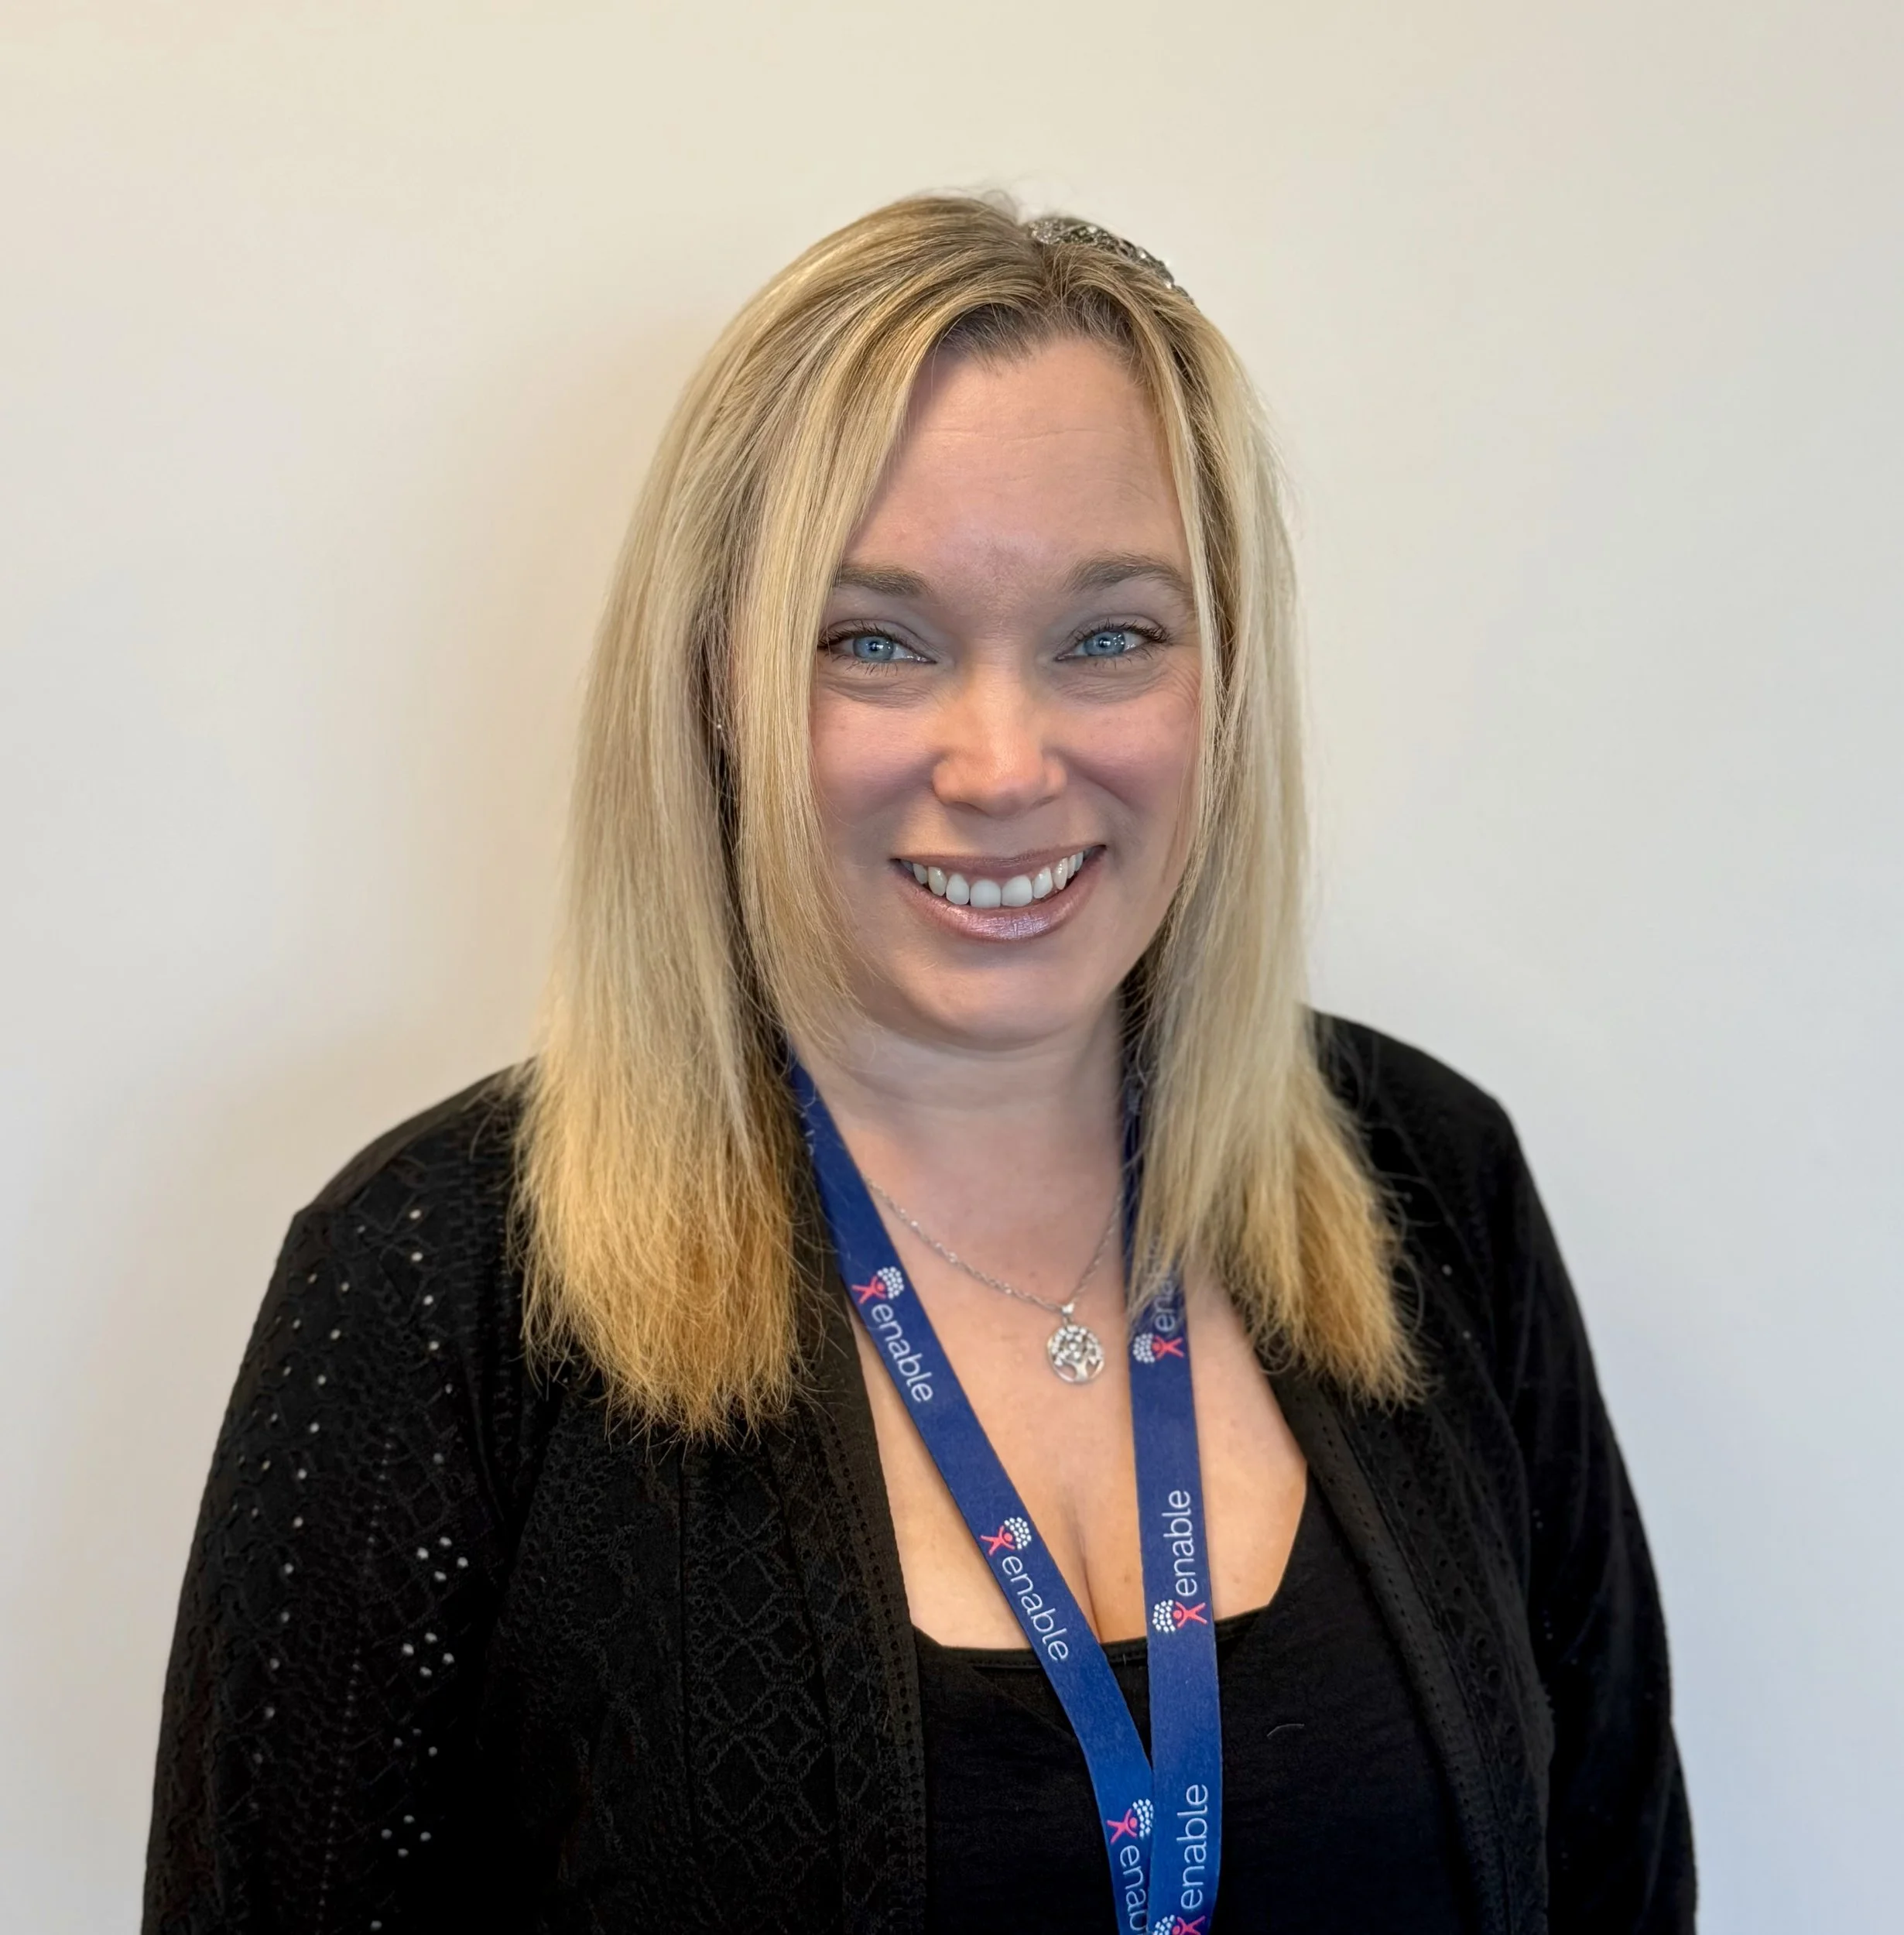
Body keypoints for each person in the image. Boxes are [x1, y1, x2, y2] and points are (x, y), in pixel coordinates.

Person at [143, 196, 1693, 1934]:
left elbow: (1619, 1878)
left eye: (1109, 634)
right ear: (715, 684)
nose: (1003, 758)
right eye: (873, 638)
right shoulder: (437, 1287)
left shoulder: (1429, 1180)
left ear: (1224, 677)